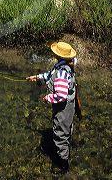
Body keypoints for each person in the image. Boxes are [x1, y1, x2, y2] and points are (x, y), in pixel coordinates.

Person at [26, 41, 77, 175]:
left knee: (60, 133)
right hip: (69, 107)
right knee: (66, 128)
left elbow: (61, 96)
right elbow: (50, 75)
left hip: (63, 108)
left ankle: (63, 165)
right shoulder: (65, 65)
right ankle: (66, 145)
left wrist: (47, 98)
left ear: (58, 55)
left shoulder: (61, 73)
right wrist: (37, 77)